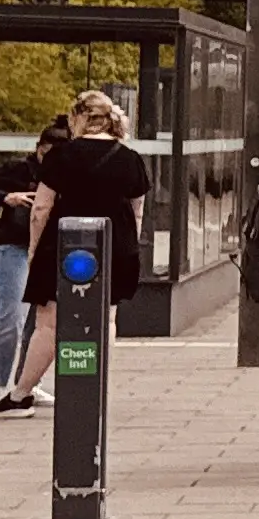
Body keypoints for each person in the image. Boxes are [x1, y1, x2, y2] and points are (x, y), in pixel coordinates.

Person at [20, 89, 154, 341]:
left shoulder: (61, 155)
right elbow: (137, 213)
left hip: (62, 247)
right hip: (114, 248)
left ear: (78, 118)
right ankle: (99, 377)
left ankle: (26, 382)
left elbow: (40, 209)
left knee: (48, 323)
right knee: (107, 318)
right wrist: (129, 246)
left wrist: (33, 250)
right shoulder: (130, 159)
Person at [0, 117, 69, 416]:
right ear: (39, 149)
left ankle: (25, 381)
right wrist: (5, 197)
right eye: (46, 153)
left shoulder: (65, 173)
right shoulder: (19, 170)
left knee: (38, 322)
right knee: (11, 315)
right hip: (15, 247)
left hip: (46, 251)